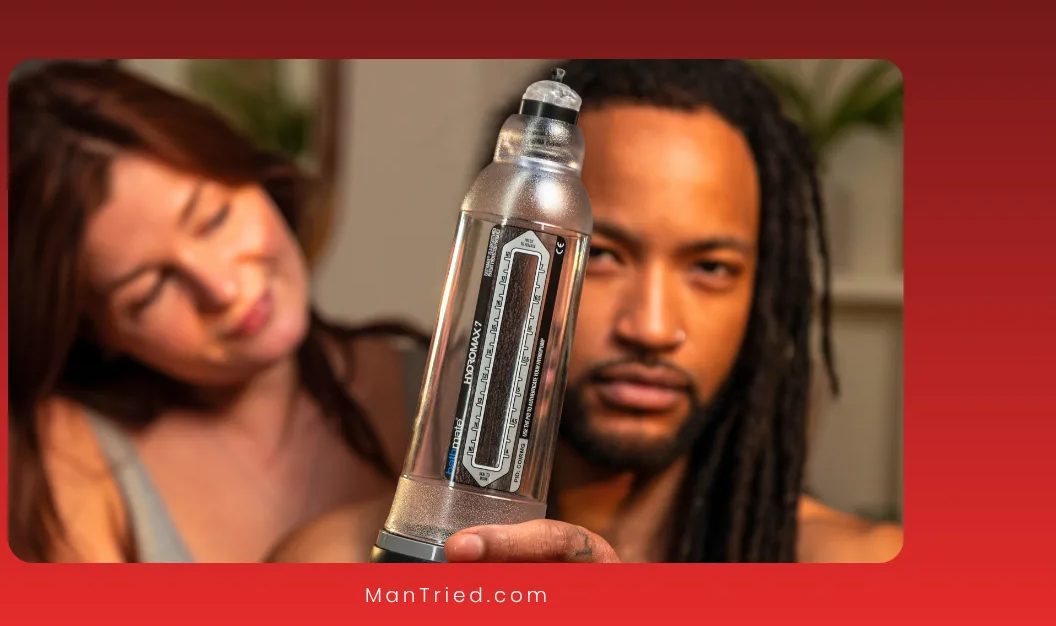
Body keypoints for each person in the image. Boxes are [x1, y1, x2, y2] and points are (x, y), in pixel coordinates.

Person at [275, 59, 903, 563]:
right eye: (603, 255)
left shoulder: (865, 570)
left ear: (762, 300)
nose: (652, 328)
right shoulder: (339, 564)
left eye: (710, 268)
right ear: (508, 268)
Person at [8, 61, 428, 562]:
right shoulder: (73, 457)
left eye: (215, 218)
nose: (223, 289)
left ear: (252, 174)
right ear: (98, 332)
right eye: (149, 290)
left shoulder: (440, 384)